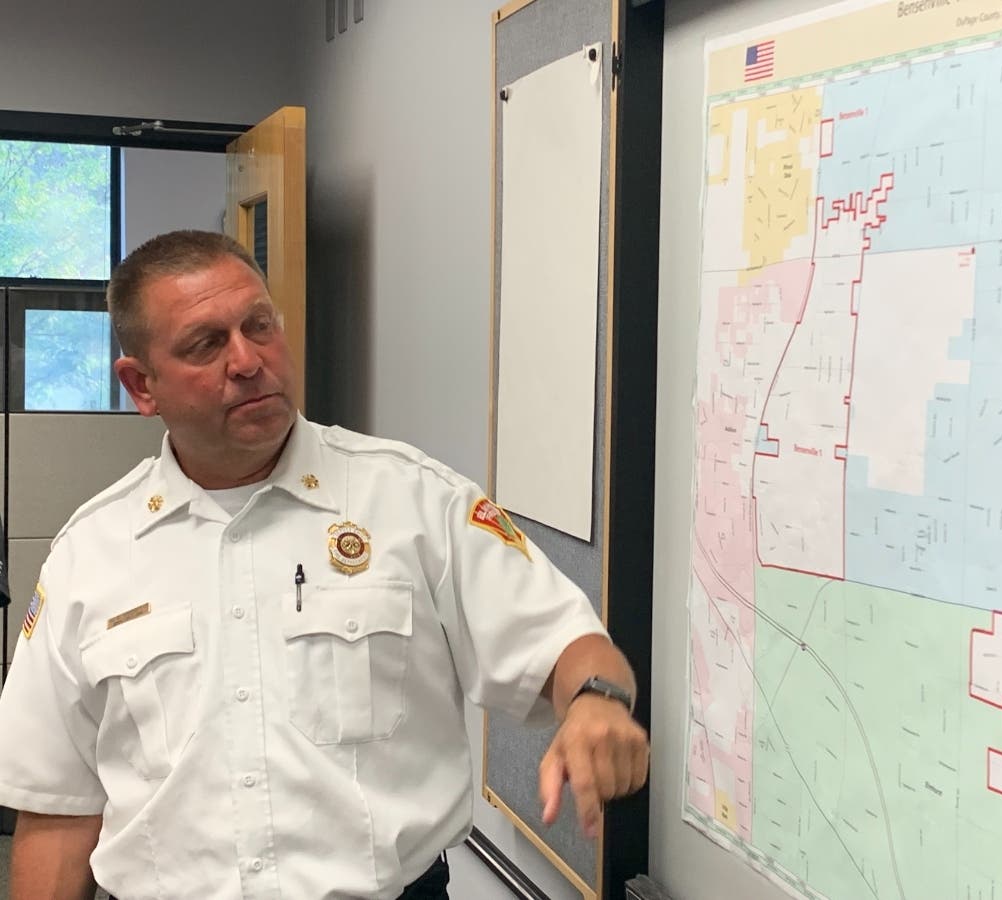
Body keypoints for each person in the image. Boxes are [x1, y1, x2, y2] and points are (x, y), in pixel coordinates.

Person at [0, 230, 649, 900]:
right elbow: (55, 808)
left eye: (259, 326)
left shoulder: (414, 499)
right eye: (206, 344)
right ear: (142, 384)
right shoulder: (92, 553)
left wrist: (596, 702)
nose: (249, 360)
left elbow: (569, 644)